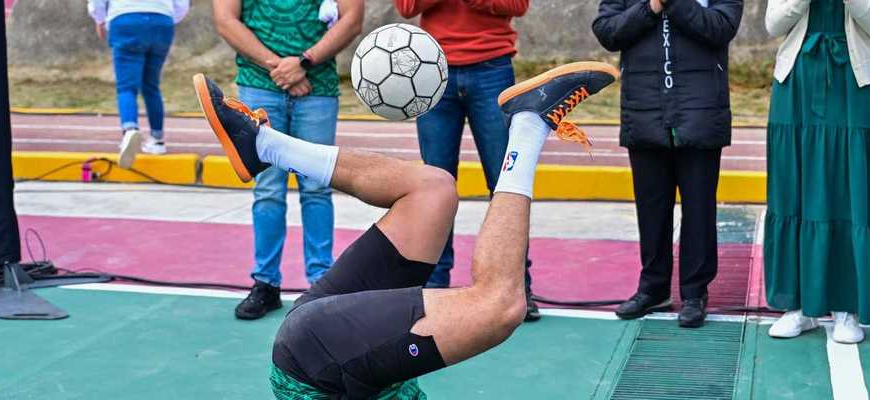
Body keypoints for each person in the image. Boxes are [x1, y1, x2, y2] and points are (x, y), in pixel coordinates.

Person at [191, 61, 615, 398]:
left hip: (318, 361)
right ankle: (264, 146)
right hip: (324, 347)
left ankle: (529, 124)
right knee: (433, 190)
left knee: (499, 304)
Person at [593, 0, 743, 328]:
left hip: (701, 111)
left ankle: (694, 293)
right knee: (651, 208)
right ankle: (653, 288)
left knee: (699, 210)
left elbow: (722, 27)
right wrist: (651, 7)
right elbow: (607, 31)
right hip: (643, 110)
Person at [212, 0, 364, 320]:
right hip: (258, 86)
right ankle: (265, 283)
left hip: (317, 87)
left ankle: (322, 284)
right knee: (267, 188)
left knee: (318, 186)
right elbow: (225, 19)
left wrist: (304, 62)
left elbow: (352, 18)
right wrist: (280, 67)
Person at [392, 0, 542, 322]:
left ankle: (517, 286)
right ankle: (434, 283)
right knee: (434, 186)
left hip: (493, 69)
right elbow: (407, 7)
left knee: (505, 183)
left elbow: (517, 6)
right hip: (431, 68)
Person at [761, 0, 870, 344]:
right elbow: (773, 24)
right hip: (797, 83)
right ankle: (798, 307)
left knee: (849, 190)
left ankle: (846, 307)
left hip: (853, 83)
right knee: (794, 190)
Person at [87, 0, 190, 168]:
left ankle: (130, 129)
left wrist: (100, 19)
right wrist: (168, 16)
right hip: (162, 21)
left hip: (125, 19)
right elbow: (182, 3)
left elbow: (97, 2)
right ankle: (157, 140)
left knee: (126, 87)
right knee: (151, 85)